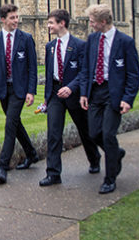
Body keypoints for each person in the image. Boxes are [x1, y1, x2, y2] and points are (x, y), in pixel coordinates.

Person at [79, 4, 139, 194]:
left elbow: (133, 74)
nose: (90, 25)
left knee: (108, 134)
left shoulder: (125, 42)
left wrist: (128, 99)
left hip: (114, 94)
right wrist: (83, 93)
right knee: (94, 133)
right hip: (95, 92)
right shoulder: (93, 39)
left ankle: (109, 179)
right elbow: (86, 68)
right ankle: (116, 153)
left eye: (92, 21)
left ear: (103, 22)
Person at [39, 9, 101, 186]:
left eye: (51, 23)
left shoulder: (80, 46)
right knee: (53, 133)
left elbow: (84, 72)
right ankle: (53, 173)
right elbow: (50, 74)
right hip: (55, 95)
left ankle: (94, 158)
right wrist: (47, 99)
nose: (49, 26)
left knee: (85, 130)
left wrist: (71, 88)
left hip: (74, 94)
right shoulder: (50, 47)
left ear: (62, 23)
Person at [0, 3, 39, 184]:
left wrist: (31, 91)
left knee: (10, 125)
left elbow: (33, 68)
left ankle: (3, 167)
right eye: (12, 18)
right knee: (15, 124)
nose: (16, 21)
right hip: (3, 90)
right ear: (3, 20)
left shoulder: (26, 39)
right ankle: (31, 154)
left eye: (17, 17)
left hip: (20, 90)